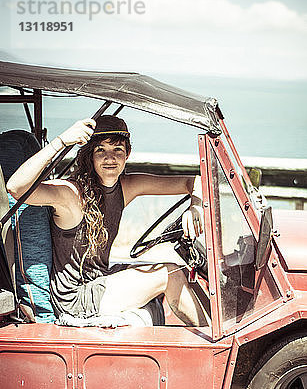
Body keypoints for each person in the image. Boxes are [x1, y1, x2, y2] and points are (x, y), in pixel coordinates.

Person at [7, 115, 208, 326]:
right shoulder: (71, 195)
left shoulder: (126, 187)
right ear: (90, 156)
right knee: (169, 275)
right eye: (100, 150)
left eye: (117, 150)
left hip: (99, 280)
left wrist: (195, 207)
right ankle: (217, 346)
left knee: (181, 270)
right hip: (75, 299)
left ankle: (213, 331)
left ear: (127, 154)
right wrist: (61, 141)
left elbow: (194, 181)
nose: (109, 158)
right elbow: (16, 188)